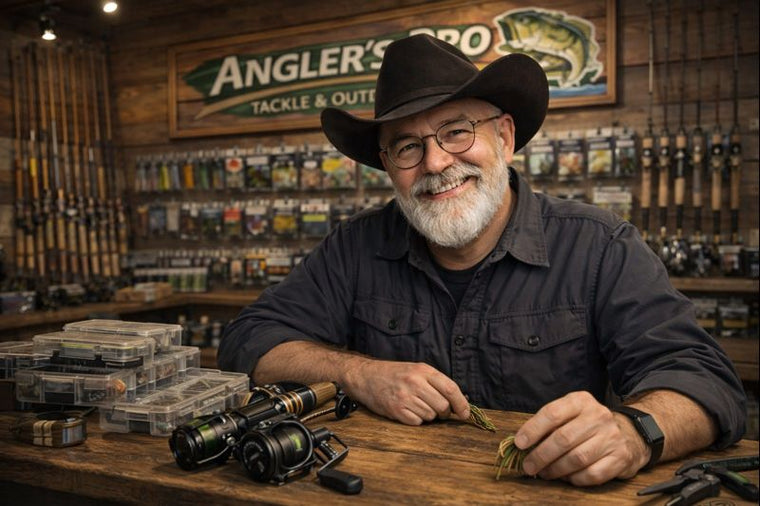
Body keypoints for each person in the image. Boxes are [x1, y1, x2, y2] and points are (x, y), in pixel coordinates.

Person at [218, 34, 746, 486]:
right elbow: (250, 339)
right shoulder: (354, 247)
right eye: (407, 147)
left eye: (456, 131)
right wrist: (359, 373)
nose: (436, 162)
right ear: (387, 165)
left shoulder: (600, 246)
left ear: (505, 136)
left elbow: (703, 380)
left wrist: (635, 433)